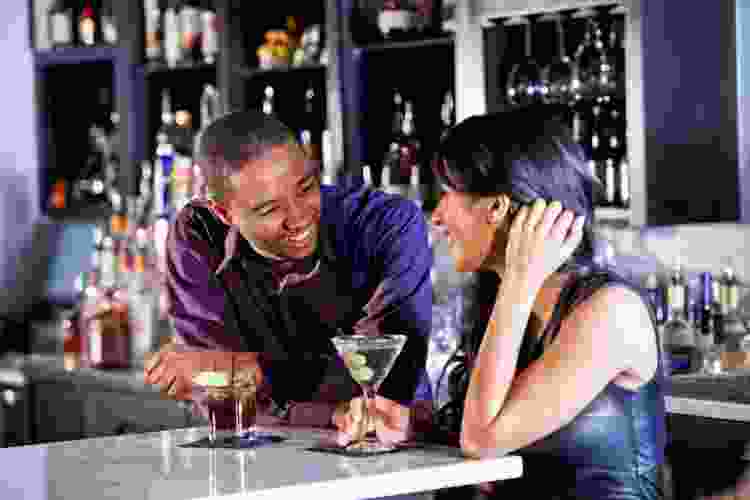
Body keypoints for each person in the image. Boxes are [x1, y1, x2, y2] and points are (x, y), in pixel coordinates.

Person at [144, 110, 432, 445]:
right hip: (257, 460)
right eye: (269, 209)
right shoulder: (197, 235)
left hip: (386, 452)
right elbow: (222, 398)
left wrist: (242, 369)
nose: (298, 218)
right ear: (223, 213)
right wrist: (327, 405)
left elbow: (384, 380)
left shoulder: (386, 224)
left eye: (306, 187)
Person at [429, 105, 666, 499]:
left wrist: (520, 278)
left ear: (497, 208)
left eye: (448, 193)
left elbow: (482, 440)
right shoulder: (506, 305)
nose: (435, 215)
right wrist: (415, 425)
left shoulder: (611, 312)